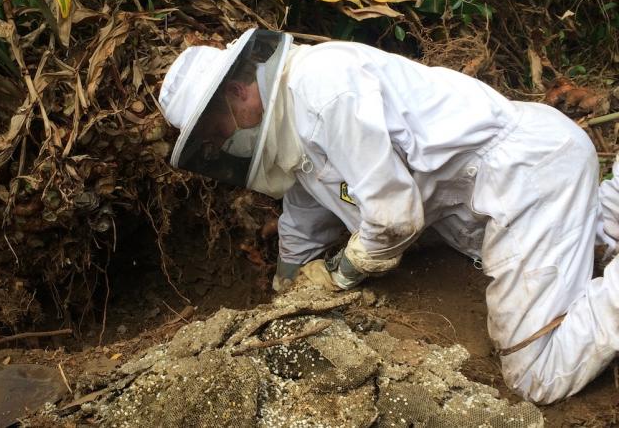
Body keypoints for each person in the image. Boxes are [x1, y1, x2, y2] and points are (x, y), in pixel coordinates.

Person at [158, 28, 619, 405]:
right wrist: (287, 287)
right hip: (494, 192)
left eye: (218, 129)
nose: (223, 144)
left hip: (528, 178)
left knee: (534, 375)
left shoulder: (323, 89)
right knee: (587, 248)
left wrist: (338, 276)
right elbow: (303, 214)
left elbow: (394, 218)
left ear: (239, 91)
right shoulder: (293, 122)